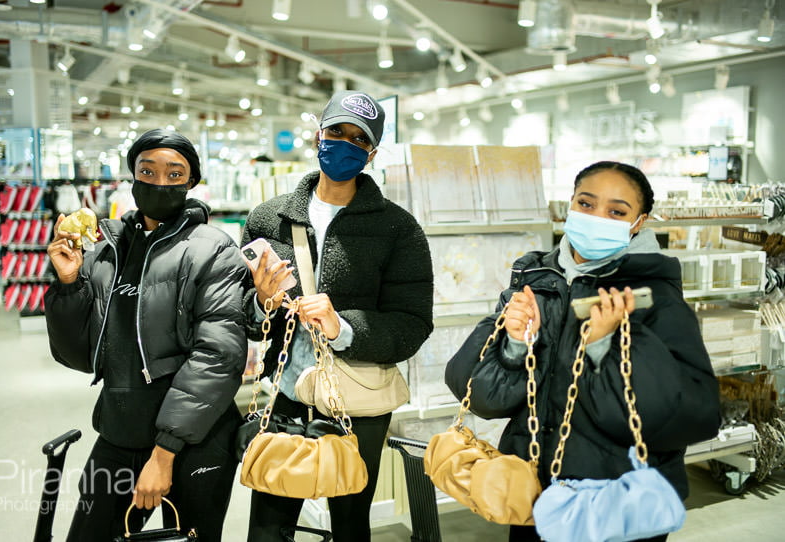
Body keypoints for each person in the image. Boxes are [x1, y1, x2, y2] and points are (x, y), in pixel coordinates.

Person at [445, 161, 721, 542]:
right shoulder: (535, 282)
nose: (596, 217)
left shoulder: (653, 299)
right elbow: (482, 398)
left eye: (616, 211)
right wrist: (513, 344)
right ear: (570, 205)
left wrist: (604, 347)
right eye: (586, 204)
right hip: (534, 497)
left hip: (614, 505)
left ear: (638, 222)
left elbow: (691, 414)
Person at [241, 90, 434, 541]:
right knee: (270, 518)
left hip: (358, 397)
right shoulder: (269, 219)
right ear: (317, 136)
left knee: (349, 520)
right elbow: (242, 315)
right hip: (287, 391)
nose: (344, 145)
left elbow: (412, 324)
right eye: (336, 132)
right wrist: (262, 303)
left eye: (357, 139)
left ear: (372, 152)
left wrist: (342, 326)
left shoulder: (398, 229)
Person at [44, 129, 247, 542]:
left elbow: (217, 356)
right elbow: (80, 355)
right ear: (132, 177)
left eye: (175, 174)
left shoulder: (214, 249)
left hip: (194, 439)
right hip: (119, 429)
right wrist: (68, 285)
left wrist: (165, 451)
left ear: (192, 182)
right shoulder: (107, 249)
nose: (160, 182)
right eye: (147, 171)